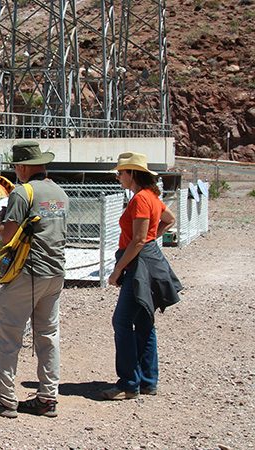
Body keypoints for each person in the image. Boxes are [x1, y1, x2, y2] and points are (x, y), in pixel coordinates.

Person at [0, 141, 69, 418]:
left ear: (24, 167)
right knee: (47, 336)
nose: (16, 171)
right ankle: (48, 398)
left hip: (27, 273)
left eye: (16, 166)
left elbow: (6, 234)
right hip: (55, 272)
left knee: (6, 335)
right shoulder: (60, 193)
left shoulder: (22, 192)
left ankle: (4, 399)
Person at [101, 152, 182, 400]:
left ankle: (128, 383)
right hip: (148, 260)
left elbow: (137, 240)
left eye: (120, 173)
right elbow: (170, 219)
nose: (118, 177)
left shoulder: (140, 200)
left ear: (132, 173)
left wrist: (117, 271)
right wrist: (150, 240)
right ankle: (148, 380)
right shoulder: (152, 197)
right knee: (145, 320)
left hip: (139, 266)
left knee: (122, 321)